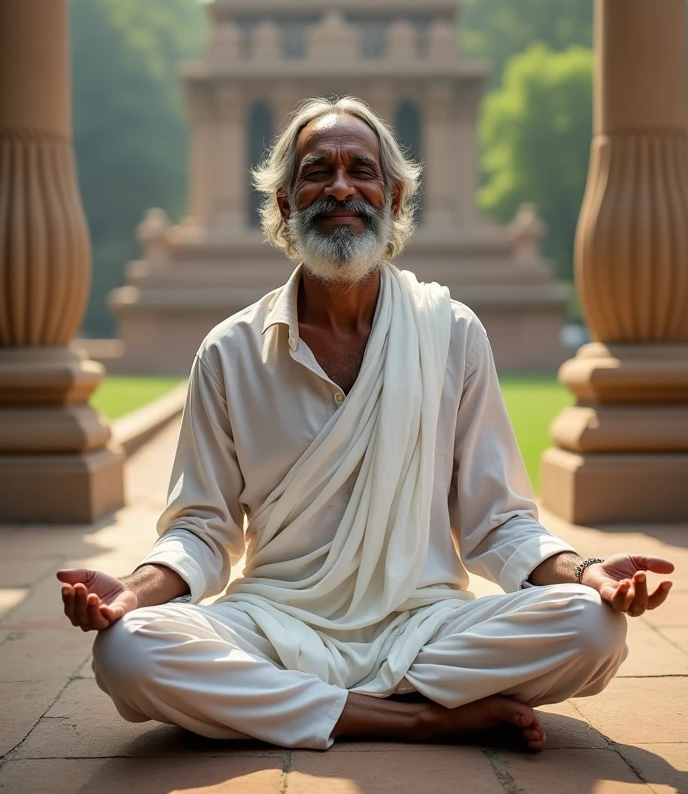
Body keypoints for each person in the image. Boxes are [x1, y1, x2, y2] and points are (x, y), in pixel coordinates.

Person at [58, 96, 674, 753]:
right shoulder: (231, 350)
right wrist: (131, 591)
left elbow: (498, 521)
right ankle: (415, 716)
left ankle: (303, 707)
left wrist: (589, 574)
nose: (342, 187)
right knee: (127, 653)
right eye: (317, 172)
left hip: (425, 622)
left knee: (593, 629)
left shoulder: (450, 331)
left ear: (396, 198)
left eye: (362, 169)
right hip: (277, 621)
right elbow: (203, 529)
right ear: (288, 203)